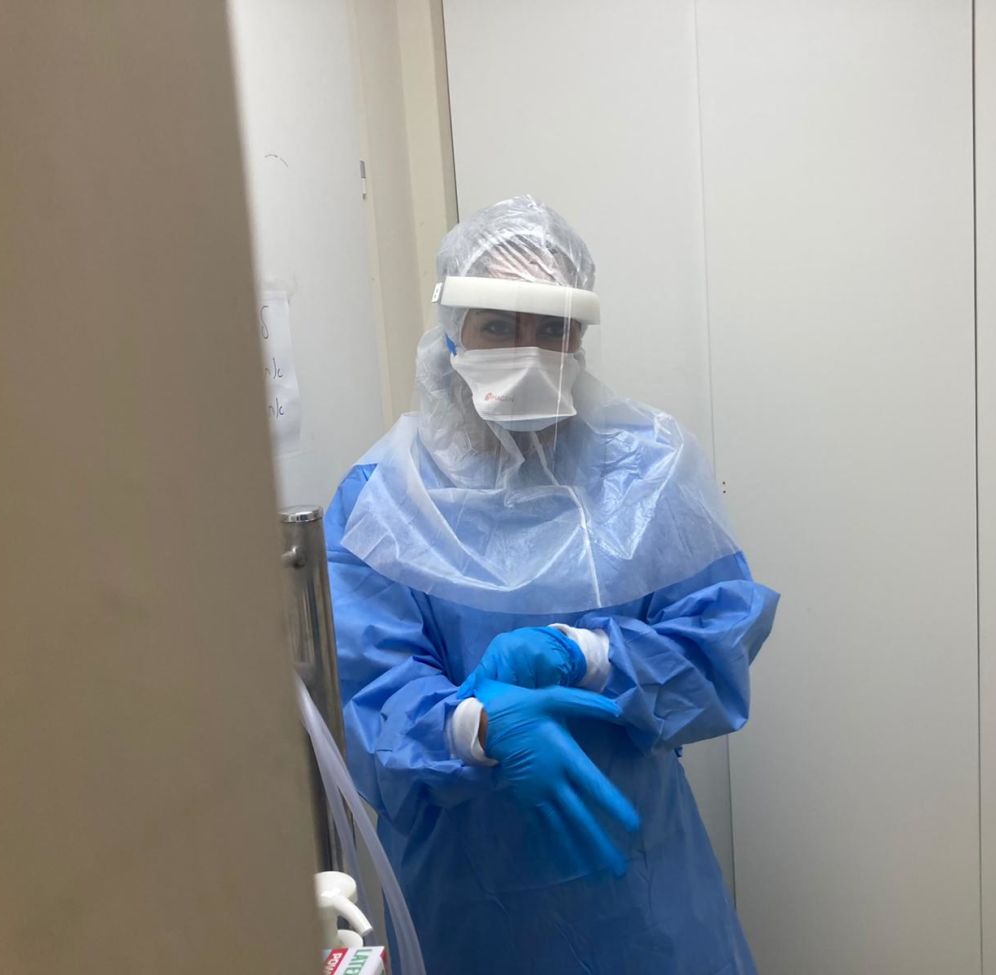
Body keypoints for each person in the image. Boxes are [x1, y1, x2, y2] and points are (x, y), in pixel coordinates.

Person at [326, 195, 779, 974]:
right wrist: (471, 726)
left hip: (638, 884)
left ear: (580, 335)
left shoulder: (648, 469)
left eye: (551, 327)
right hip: (467, 898)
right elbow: (367, 697)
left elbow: (720, 641)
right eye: (497, 325)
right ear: (452, 330)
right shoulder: (387, 501)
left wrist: (592, 654)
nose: (527, 351)